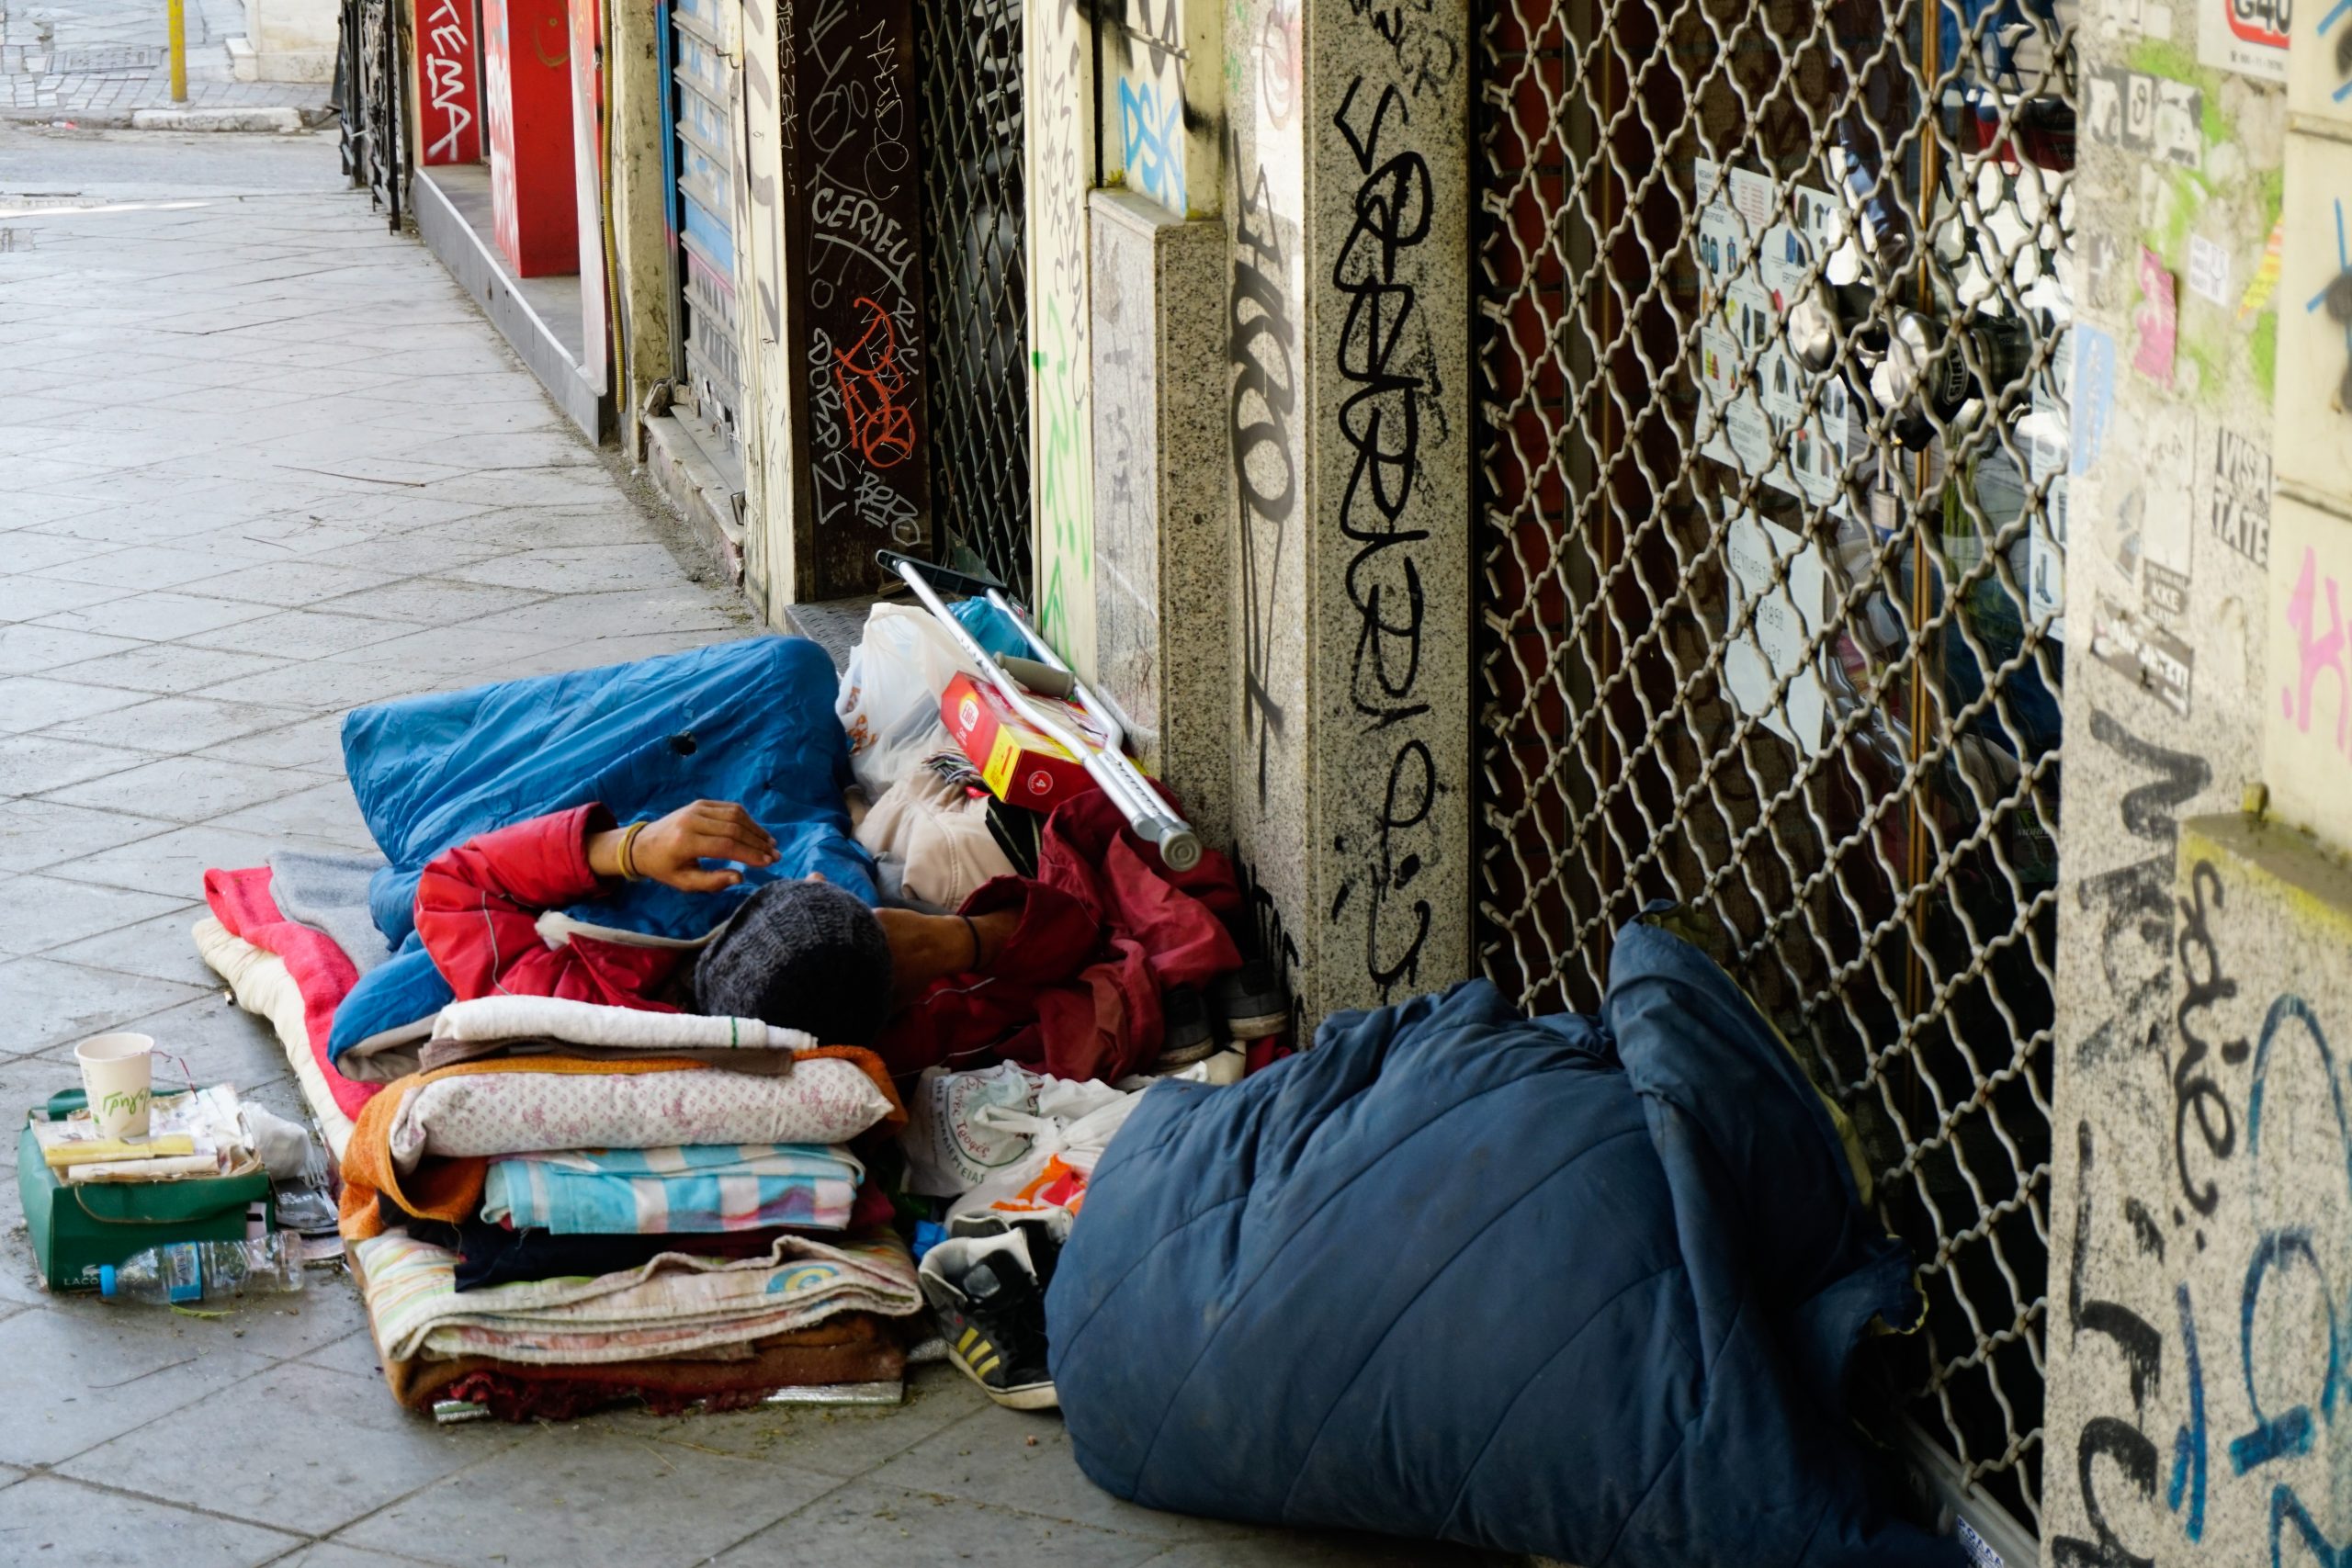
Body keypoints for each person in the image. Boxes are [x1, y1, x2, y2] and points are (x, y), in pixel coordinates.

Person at [413, 798, 1018, 1047]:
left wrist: (628, 848)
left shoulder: (575, 1009)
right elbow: (1068, 935)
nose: (813, 880)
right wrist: (960, 940)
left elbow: (448, 889)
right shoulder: (913, 1038)